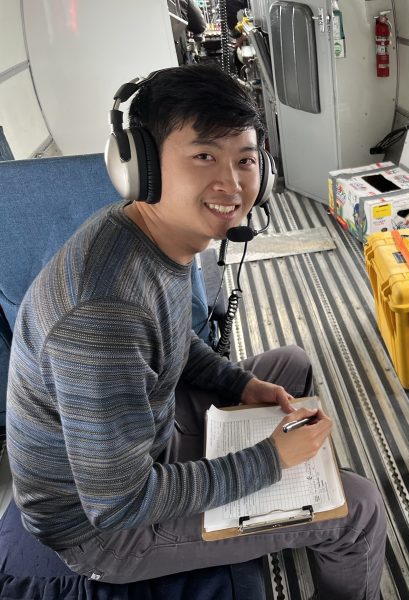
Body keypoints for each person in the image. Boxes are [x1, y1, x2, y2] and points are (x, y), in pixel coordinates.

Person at [5, 64, 386, 599]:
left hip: (145, 438)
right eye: (204, 156)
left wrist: (240, 385)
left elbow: (172, 338)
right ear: (142, 167)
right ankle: (317, 515)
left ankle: (296, 502)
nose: (231, 184)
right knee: (361, 510)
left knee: (290, 364)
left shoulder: (146, 235)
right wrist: (270, 460)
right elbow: (120, 502)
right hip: (105, 530)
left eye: (246, 160)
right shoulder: (101, 313)